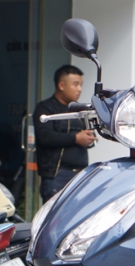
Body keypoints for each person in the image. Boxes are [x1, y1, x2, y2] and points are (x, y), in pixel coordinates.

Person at [33, 65, 95, 202]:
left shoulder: (79, 110)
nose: (79, 89)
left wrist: (90, 138)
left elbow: (88, 134)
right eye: (75, 84)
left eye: (81, 84)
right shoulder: (46, 109)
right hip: (57, 175)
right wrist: (76, 138)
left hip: (81, 174)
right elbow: (45, 137)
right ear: (61, 85)